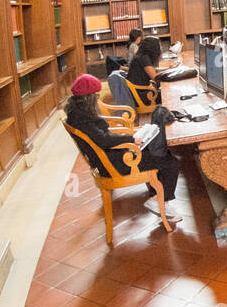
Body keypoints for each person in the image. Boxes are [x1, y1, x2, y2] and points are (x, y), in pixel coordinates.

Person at [64, 74, 181, 217]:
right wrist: (131, 139)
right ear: (88, 98)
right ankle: (157, 200)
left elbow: (102, 137)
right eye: (96, 95)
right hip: (114, 165)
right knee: (171, 162)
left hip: (110, 157)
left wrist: (132, 138)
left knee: (159, 152)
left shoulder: (76, 114)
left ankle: (156, 196)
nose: (98, 98)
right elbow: (104, 139)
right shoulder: (82, 119)